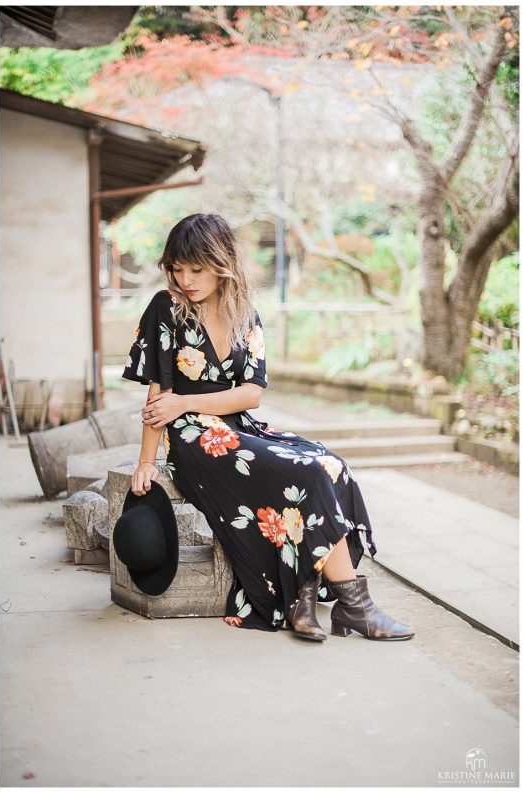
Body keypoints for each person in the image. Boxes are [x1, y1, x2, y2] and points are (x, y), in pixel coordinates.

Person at [122, 212, 414, 642]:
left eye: (196, 269)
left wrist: (185, 400)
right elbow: (158, 397)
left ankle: (311, 596)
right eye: (178, 268)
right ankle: (356, 607)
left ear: (222, 263)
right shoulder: (166, 308)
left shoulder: (245, 315)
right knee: (308, 474)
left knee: (330, 464)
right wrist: (147, 460)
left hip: (241, 427)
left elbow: (250, 395)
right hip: (195, 440)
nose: (186, 279)